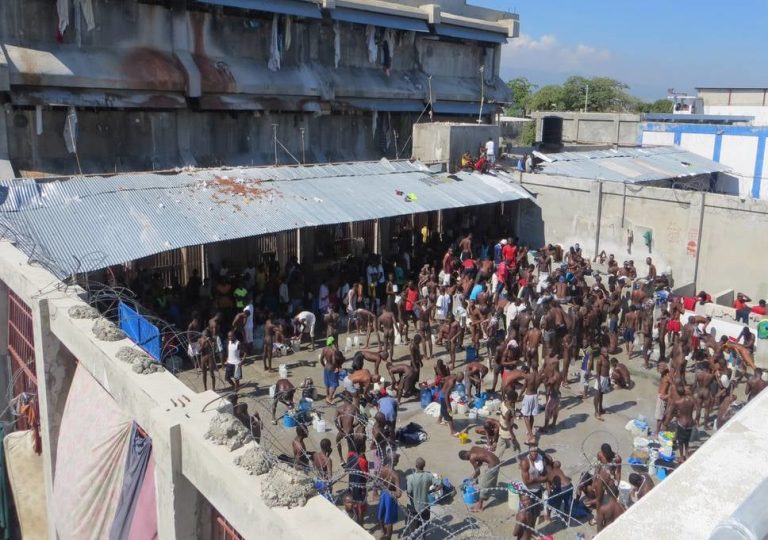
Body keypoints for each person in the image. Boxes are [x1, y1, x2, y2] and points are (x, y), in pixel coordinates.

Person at [458, 446, 500, 512]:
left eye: (466, 460)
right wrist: (475, 473)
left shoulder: (471, 458)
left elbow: (478, 472)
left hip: (493, 465)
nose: (468, 460)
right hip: (496, 460)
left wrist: (472, 478)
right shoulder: (473, 448)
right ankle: (489, 489)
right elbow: (481, 458)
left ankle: (479, 506)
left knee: (484, 485)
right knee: (489, 480)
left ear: (465, 458)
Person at [405, 458, 439, 539]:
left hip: (414, 506)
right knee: (425, 522)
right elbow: (439, 484)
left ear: (416, 465)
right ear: (424, 466)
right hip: (425, 504)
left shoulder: (410, 477)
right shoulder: (429, 476)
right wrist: (432, 491)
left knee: (413, 524)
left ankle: (412, 537)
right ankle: (423, 537)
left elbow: (409, 491)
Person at [664, 385, 696, 462]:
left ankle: (681, 457)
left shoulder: (677, 402)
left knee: (680, 441)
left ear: (678, 393)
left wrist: (666, 423)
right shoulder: (692, 400)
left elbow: (670, 414)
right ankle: (687, 454)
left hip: (682, 423)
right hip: (690, 423)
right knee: (687, 440)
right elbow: (696, 410)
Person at [519, 446, 549, 524]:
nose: (534, 453)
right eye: (532, 451)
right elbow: (526, 482)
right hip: (527, 492)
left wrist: (535, 479)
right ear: (529, 452)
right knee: (527, 513)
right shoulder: (525, 462)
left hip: (538, 490)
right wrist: (539, 479)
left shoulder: (540, 460)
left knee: (535, 513)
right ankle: (527, 531)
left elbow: (546, 477)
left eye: (535, 451)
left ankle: (532, 530)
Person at [376, 467, 401, 540]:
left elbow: (376, 482)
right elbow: (398, 494)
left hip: (383, 493)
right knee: (389, 519)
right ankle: (388, 537)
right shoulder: (395, 476)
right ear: (395, 461)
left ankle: (383, 532)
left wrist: (375, 492)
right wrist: (393, 492)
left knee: (381, 515)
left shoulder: (382, 469)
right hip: (390, 497)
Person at [594, 347, 610, 421]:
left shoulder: (607, 358)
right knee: (597, 395)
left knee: (601, 395)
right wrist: (599, 383)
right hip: (600, 379)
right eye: (605, 352)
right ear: (601, 352)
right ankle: (596, 412)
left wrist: (608, 380)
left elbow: (608, 368)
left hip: (606, 378)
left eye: (607, 351)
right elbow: (597, 373)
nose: (607, 353)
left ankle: (601, 409)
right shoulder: (599, 360)